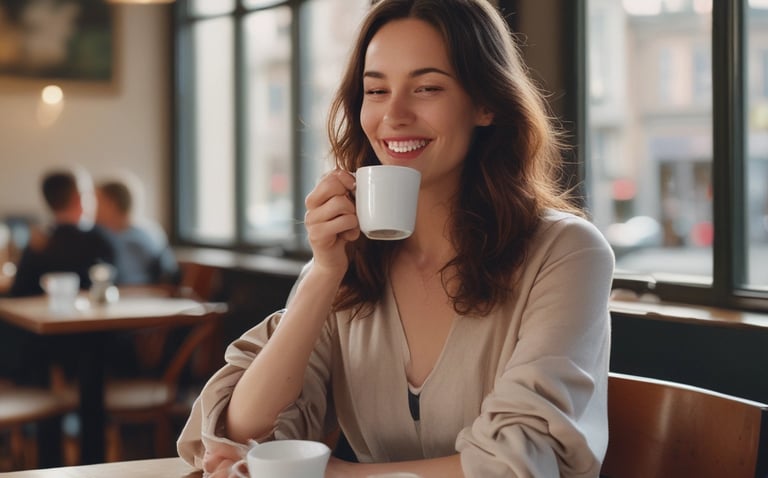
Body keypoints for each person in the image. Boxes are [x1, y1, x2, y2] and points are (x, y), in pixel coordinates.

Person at [177, 0, 615, 476]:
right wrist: (323, 274)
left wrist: (332, 474)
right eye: (376, 90)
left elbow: (518, 466)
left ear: (486, 104)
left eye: (427, 88)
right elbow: (240, 433)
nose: (394, 114)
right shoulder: (345, 262)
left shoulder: (568, 252)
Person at [10, 167, 117, 297]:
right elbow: (115, 286)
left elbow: (18, 292)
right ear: (79, 199)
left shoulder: (38, 244)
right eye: (90, 194)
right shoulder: (99, 241)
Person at [95, 176, 180, 286]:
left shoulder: (133, 240)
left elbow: (128, 283)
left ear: (111, 204)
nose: (91, 208)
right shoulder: (149, 228)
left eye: (96, 202)